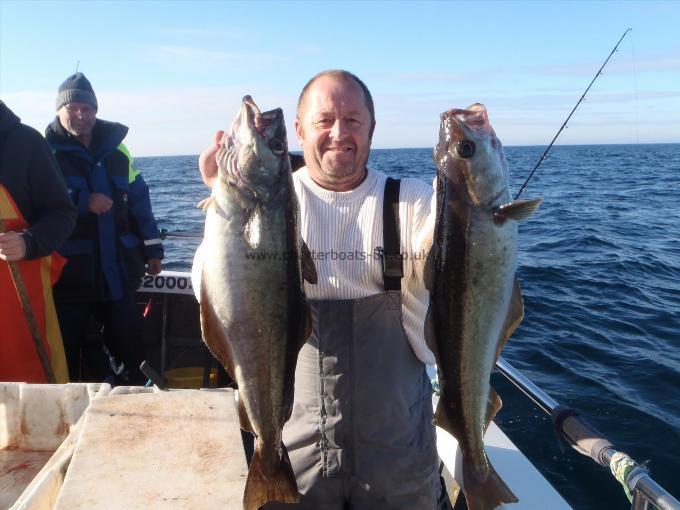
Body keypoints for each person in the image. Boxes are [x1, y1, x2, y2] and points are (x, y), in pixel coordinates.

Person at [195, 70, 451, 509]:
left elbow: (447, 258)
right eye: (324, 120)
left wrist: (468, 187)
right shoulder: (270, 199)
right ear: (298, 131)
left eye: (353, 120)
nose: (339, 133)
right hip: (297, 454)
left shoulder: (412, 201)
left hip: (400, 456)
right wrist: (219, 198)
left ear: (372, 128)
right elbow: (212, 287)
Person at [45, 72, 164, 385]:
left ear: (96, 111)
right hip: (68, 277)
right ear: (59, 110)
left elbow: (141, 202)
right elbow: (35, 199)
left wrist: (153, 249)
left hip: (118, 275)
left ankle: (135, 410)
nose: (81, 114)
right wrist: (82, 200)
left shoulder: (118, 152)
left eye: (88, 108)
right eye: (73, 108)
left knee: (132, 351)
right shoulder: (45, 153)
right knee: (64, 353)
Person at [0, 100, 76, 383]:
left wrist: (28, 242)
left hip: (21, 313)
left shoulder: (26, 143)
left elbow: (63, 213)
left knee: (33, 405)